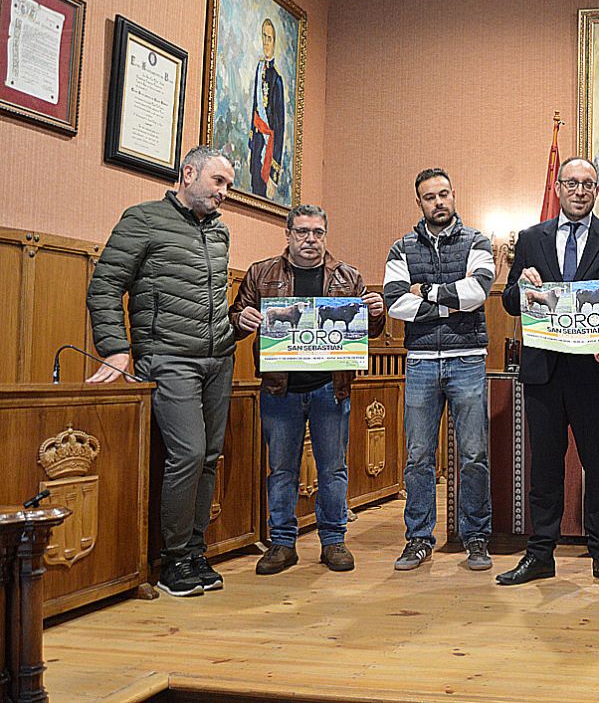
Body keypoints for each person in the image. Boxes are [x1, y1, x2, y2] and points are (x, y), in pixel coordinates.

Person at [85, 146, 237, 597]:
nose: (224, 194)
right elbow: (106, 285)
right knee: (188, 454)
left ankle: (194, 551)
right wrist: (115, 349)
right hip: (168, 359)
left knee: (209, 457)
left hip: (218, 359)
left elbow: (206, 304)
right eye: (218, 182)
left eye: (227, 185)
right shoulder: (143, 219)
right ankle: (172, 561)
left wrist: (237, 326)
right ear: (188, 173)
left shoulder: (219, 233)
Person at [495, 158, 599, 588]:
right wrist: (522, 287)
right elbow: (509, 301)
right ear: (558, 188)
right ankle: (540, 554)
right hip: (543, 372)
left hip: (595, 374)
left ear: (598, 192)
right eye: (572, 183)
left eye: (588, 185)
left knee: (598, 465)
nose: (579, 191)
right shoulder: (530, 239)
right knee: (545, 468)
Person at [229, 205, 387, 575]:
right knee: (281, 469)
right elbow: (234, 319)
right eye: (302, 232)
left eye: (317, 232)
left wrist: (377, 312)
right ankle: (282, 544)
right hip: (279, 389)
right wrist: (243, 319)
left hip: (330, 389)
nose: (310, 239)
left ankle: (334, 542)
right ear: (288, 234)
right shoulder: (260, 273)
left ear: (325, 235)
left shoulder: (348, 277)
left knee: (333, 470)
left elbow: (370, 332)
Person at [383, 168, 495, 572]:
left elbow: (479, 291)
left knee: (474, 454)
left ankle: (476, 536)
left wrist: (426, 293)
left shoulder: (477, 241)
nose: (439, 202)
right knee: (417, 457)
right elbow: (395, 303)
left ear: (454, 194)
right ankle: (417, 539)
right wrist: (452, 301)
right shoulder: (401, 248)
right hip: (421, 363)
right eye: (430, 197)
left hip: (468, 358)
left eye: (444, 194)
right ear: (420, 203)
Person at [250, 18, 285, 199]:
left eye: (269, 38)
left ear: (274, 42)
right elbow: (254, 110)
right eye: (263, 36)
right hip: (257, 145)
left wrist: (273, 174)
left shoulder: (277, 80)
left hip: (268, 152)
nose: (265, 41)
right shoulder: (258, 70)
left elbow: (279, 129)